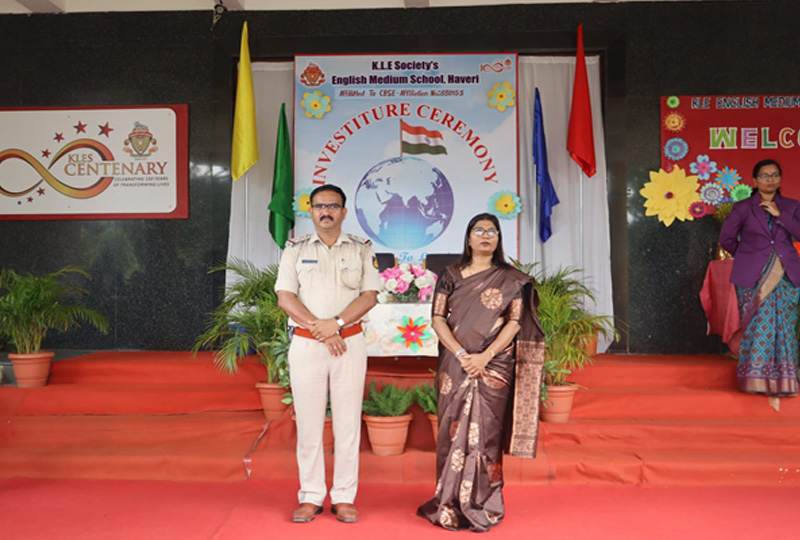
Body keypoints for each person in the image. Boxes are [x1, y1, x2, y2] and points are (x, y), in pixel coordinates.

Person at [417, 213, 545, 532]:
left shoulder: (512, 279)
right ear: (469, 238)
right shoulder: (450, 275)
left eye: (492, 231)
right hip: (455, 365)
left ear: (499, 239)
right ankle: (447, 500)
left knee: (487, 434)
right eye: (479, 230)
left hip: (494, 366)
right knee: (451, 429)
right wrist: (462, 354)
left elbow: (515, 323)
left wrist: (485, 357)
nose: (486, 235)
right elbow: (437, 319)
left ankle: (484, 501)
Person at [275, 184, 380, 523]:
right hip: (307, 345)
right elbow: (285, 298)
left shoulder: (362, 249)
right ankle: (310, 495)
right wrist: (320, 328)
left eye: (333, 206)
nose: (326, 212)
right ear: (311, 211)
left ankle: (344, 497)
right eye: (319, 206)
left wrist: (335, 324)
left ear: (344, 212)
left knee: (347, 423)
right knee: (308, 423)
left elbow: (369, 296)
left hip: (348, 343)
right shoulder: (294, 249)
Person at [719, 159, 800, 398]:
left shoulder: (792, 206)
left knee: (784, 326)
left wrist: (780, 215)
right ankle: (754, 380)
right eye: (764, 176)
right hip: (752, 276)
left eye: (774, 175)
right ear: (754, 181)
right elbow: (727, 239)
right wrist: (748, 256)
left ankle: (785, 381)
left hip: (786, 273)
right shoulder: (743, 207)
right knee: (756, 326)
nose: (770, 179)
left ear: (780, 179)